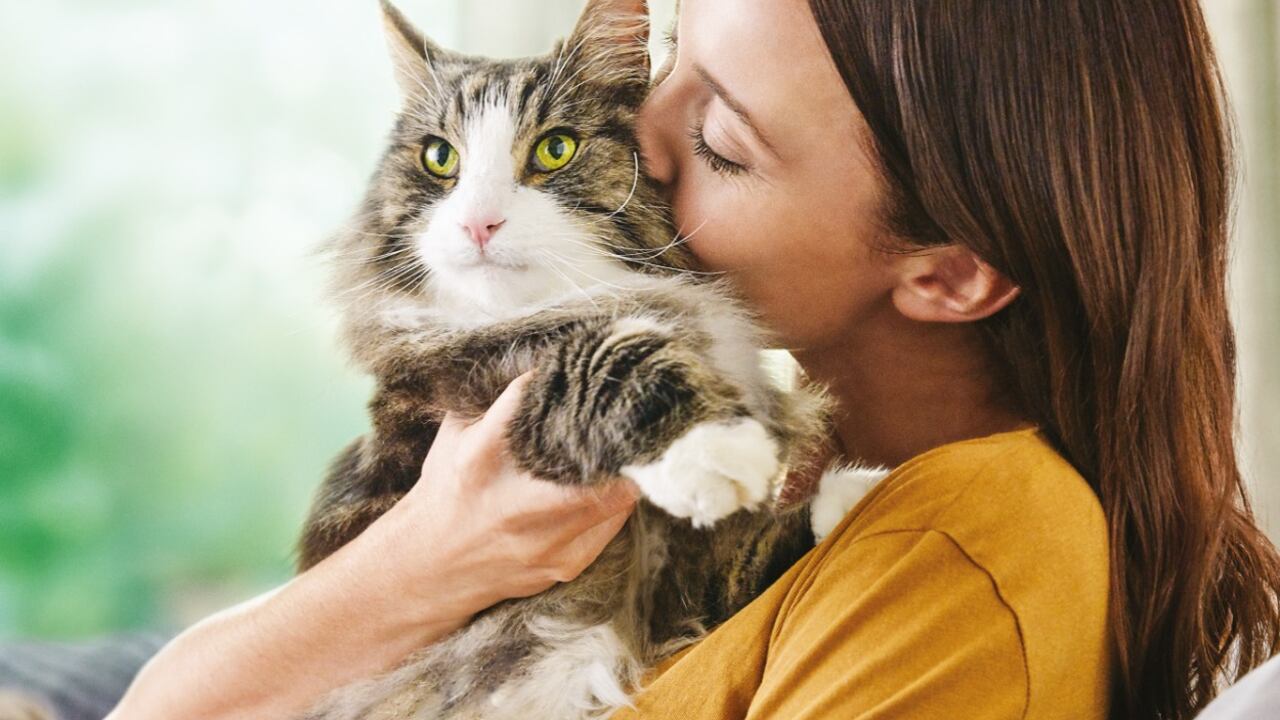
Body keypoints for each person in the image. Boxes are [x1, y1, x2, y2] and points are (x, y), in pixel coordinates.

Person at [106, 0, 1280, 719]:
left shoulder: (954, 570)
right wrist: (417, 563)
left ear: (946, 274)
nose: (633, 139)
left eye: (719, 140)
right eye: (667, 55)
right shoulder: (755, 451)